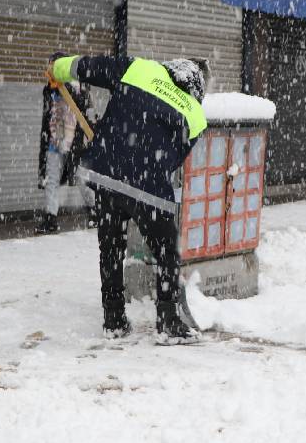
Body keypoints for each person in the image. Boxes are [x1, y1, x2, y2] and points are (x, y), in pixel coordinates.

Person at [48, 54, 209, 343]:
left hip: (104, 175)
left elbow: (89, 67)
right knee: (166, 252)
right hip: (148, 188)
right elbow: (173, 160)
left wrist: (58, 68)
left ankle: (114, 319)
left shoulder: (140, 69)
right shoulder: (196, 115)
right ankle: (168, 321)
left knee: (110, 248)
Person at [37, 51, 91, 234]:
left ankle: (97, 212)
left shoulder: (77, 87)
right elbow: (48, 116)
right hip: (54, 141)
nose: (50, 69)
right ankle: (50, 219)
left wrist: (66, 86)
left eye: (53, 65)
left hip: (72, 143)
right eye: (49, 65)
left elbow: (84, 108)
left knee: (81, 179)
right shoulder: (50, 89)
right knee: (51, 180)